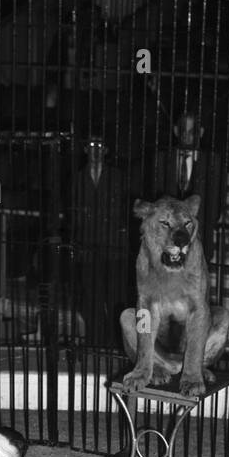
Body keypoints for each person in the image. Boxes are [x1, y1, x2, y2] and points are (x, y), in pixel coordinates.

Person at [67, 134, 130, 346]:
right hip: (88, 248)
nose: (95, 150)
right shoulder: (76, 178)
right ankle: (95, 342)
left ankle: (115, 342)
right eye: (91, 145)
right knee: (91, 297)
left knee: (114, 297)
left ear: (106, 150)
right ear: (86, 150)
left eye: (100, 146)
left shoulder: (118, 176)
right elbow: (72, 213)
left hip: (113, 248)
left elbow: (124, 209)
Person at [153, 110, 225, 264]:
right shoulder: (163, 158)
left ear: (201, 133)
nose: (187, 136)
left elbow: (216, 204)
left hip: (199, 236)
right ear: (176, 130)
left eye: (192, 131)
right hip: (169, 239)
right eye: (183, 130)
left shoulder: (211, 162)